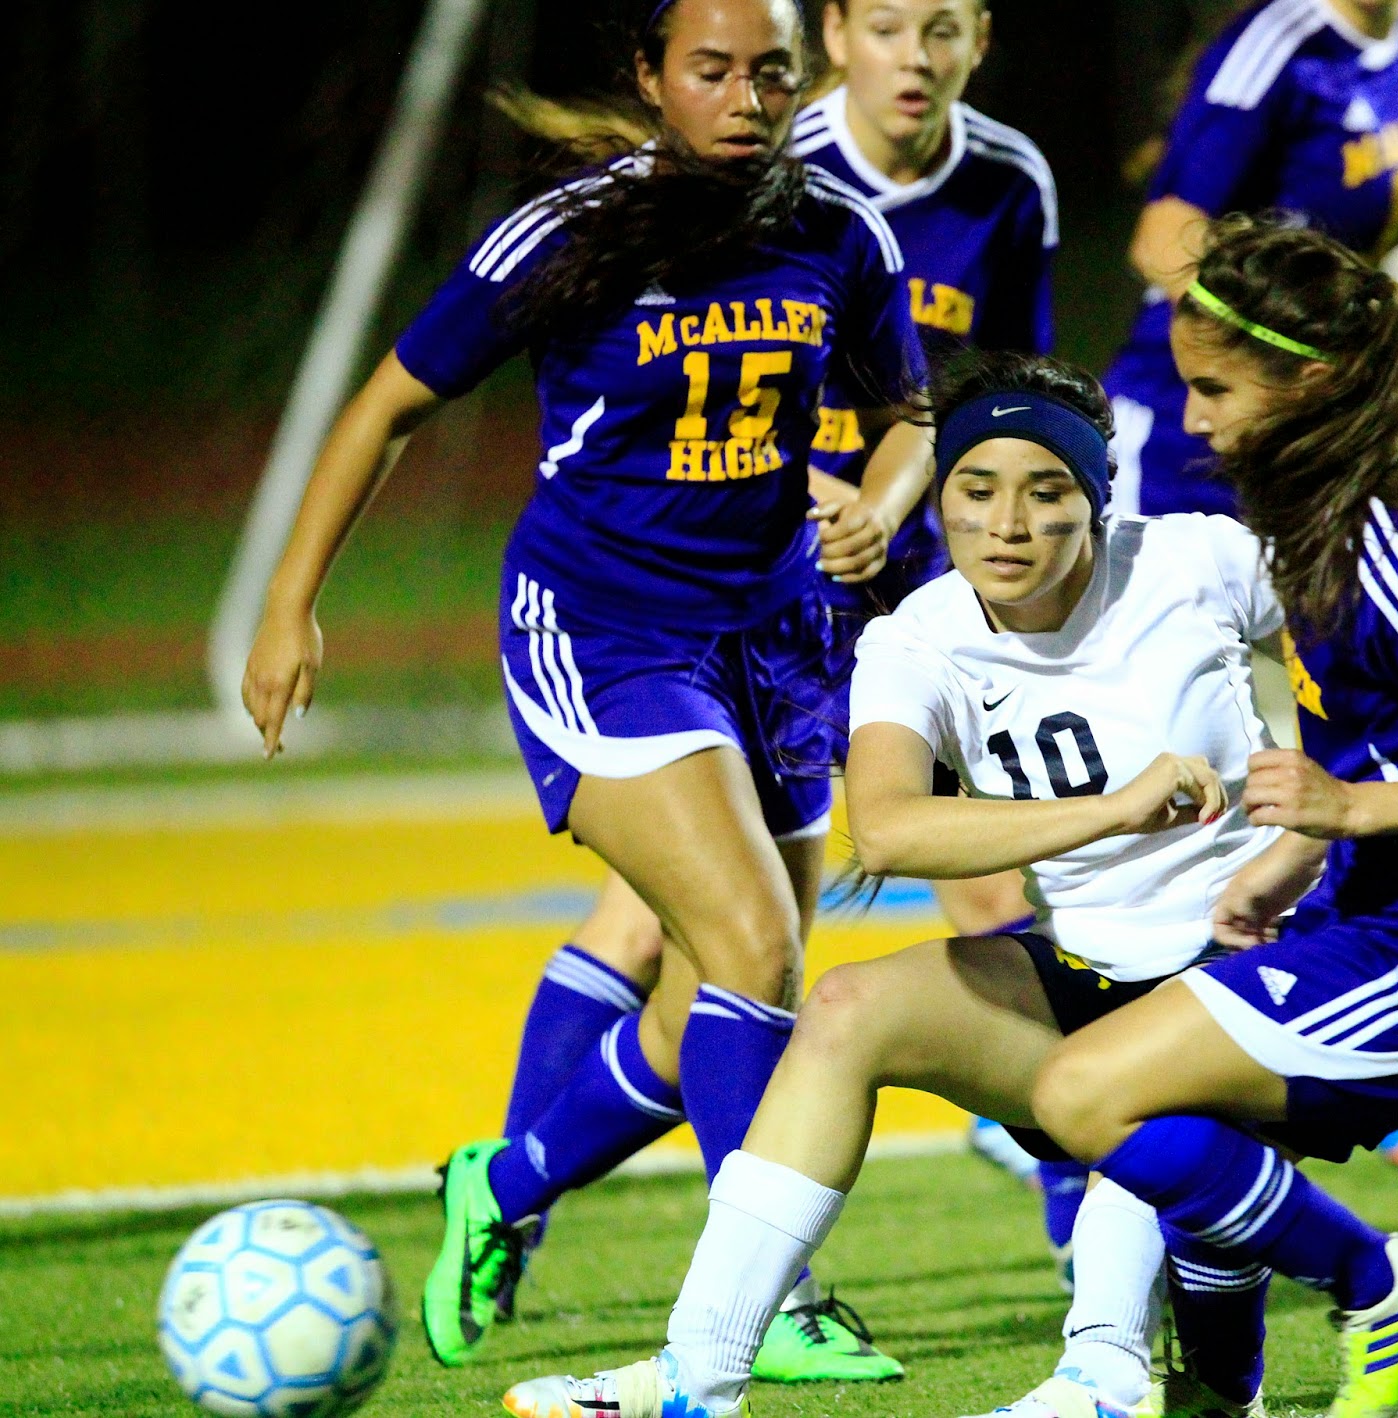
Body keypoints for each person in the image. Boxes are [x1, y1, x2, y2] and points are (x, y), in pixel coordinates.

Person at [239, 0, 932, 1373]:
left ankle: (502, 1183)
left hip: (775, 631)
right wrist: (286, 601)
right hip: (604, 626)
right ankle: (766, 1304)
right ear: (650, 78)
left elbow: (908, 411)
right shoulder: (571, 234)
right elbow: (388, 406)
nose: (745, 98)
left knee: (727, 994)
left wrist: (879, 500)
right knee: (750, 945)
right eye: (711, 70)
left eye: (769, 73)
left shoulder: (839, 233)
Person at [500, 344, 1302, 1418]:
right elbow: (883, 827)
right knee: (844, 1007)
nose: (1005, 524)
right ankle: (698, 1371)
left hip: (1268, 978)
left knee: (1137, 1098)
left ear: (1097, 496)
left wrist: (1386, 822)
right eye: (974, 490)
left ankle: (1103, 1370)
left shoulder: (1197, 560)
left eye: (1045, 491)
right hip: (1088, 971)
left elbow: (1379, 671)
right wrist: (1113, 808)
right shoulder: (918, 634)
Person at [490, 0, 1072, 1348]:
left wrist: (997, 525)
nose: (916, 57)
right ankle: (555, 1202)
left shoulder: (1007, 182)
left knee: (947, 887)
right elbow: (691, 401)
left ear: (983, 38)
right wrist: (798, 485)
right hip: (761, 598)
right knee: (681, 933)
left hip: (915, 581)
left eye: (946, 28)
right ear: (834, 42)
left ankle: (1069, 1209)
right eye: (889, 26)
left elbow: (986, 384)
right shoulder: (761, 167)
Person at [1012, 216, 1398, 1418]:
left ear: (1311, 385)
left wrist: (1351, 809)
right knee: (1181, 1116)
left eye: (1215, 388)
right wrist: (1294, 852)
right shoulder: (1309, 515)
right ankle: (1217, 1395)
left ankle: (1383, 1282)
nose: (1192, 419)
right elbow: (1378, 733)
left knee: (1087, 1093)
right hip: (1381, 902)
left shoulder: (1391, 537)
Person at [1095, 0, 1398, 1181]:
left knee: (1329, 694)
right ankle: (1200, 1008)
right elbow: (1165, 234)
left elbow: (1356, 192)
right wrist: (1262, 331)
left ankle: (1307, 1017)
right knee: (1147, 717)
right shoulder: (1280, 37)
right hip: (1183, 443)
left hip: (1280, 422)